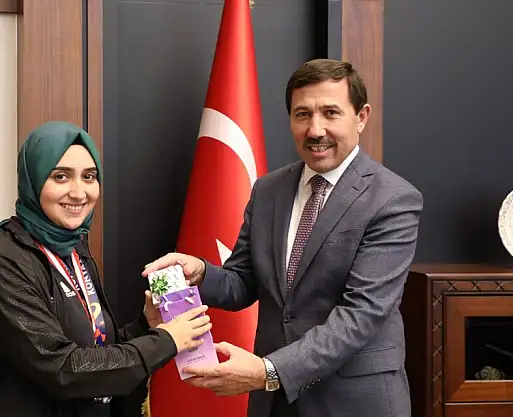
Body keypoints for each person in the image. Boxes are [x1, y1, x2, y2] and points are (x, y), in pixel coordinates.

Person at [143, 59, 423, 417]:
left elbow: (362, 314)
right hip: (276, 402)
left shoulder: (393, 200)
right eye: (302, 114)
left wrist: (269, 371)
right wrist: (200, 272)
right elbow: (243, 281)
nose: (315, 130)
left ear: (361, 117)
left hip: (352, 400)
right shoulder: (268, 190)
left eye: (331, 113)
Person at [0, 121, 212, 417]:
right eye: (61, 176)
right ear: (33, 179)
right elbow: (62, 368)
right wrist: (164, 341)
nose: (79, 193)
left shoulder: (73, 247)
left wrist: (146, 326)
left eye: (89, 177)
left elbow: (95, 353)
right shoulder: (4, 262)